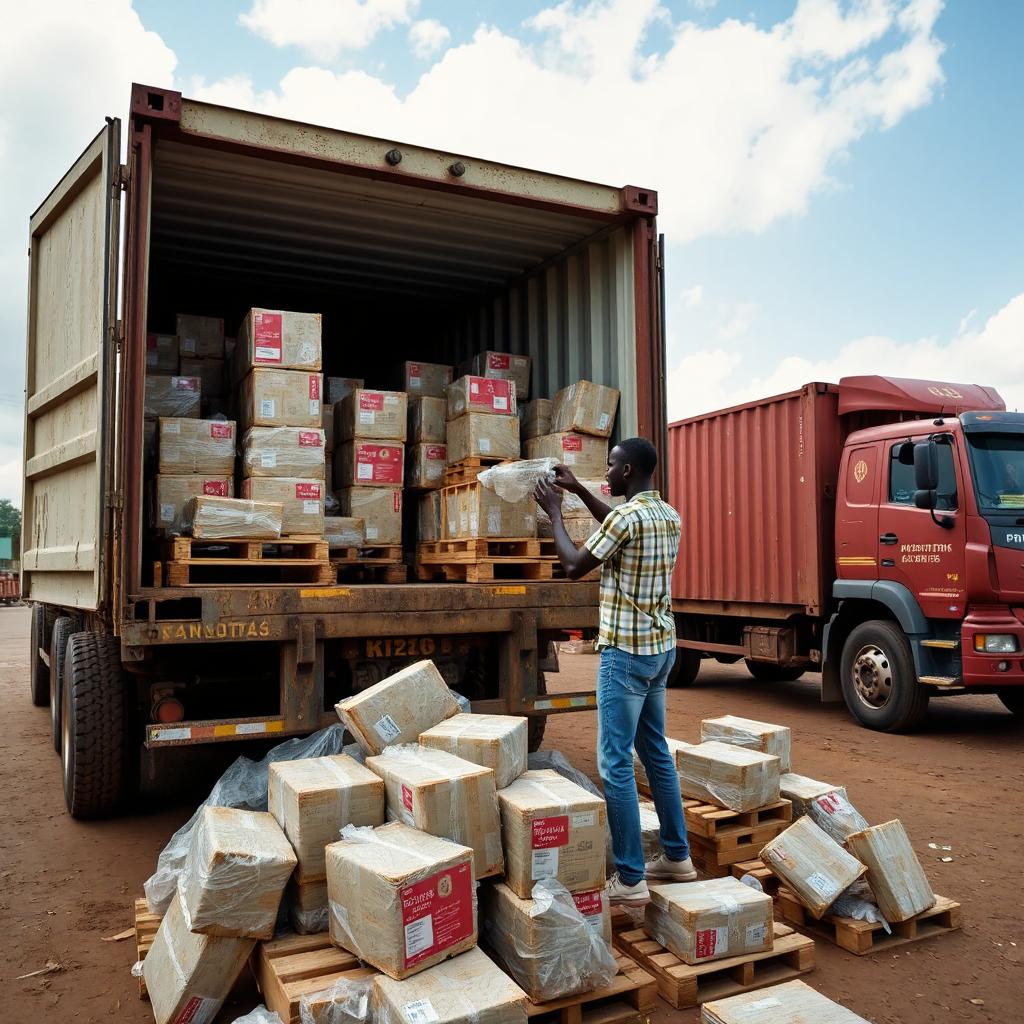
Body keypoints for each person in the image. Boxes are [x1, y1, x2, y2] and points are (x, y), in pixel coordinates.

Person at [534, 437, 695, 907]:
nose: (606, 471)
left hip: (625, 655)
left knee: (616, 763)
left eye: (611, 465)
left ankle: (630, 879)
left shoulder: (628, 520)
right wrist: (580, 490)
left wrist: (555, 512)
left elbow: (572, 565)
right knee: (656, 753)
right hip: (659, 650)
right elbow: (619, 525)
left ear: (627, 471)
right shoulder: (667, 515)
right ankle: (677, 857)